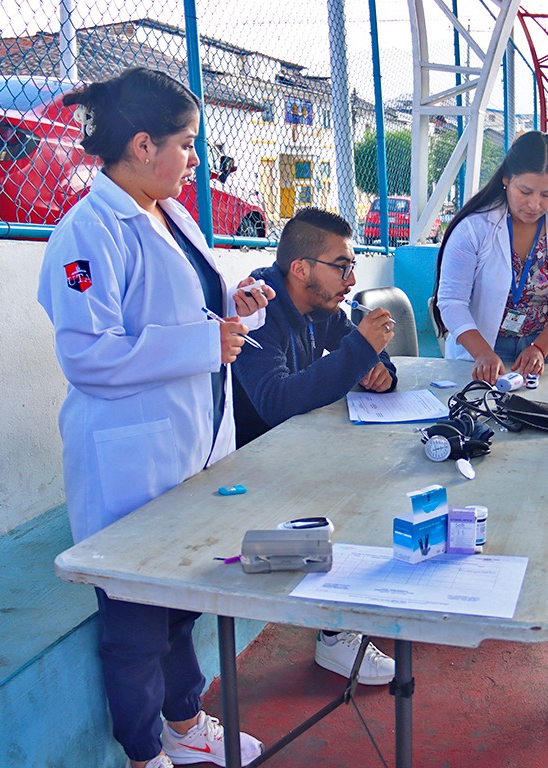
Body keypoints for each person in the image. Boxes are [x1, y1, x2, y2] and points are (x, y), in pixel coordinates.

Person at [38, 68, 270, 768]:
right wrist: (205, 341)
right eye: (187, 144)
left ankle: (185, 724)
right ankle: (143, 754)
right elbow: (88, 355)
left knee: (179, 604)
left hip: (186, 450)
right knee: (136, 623)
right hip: (130, 461)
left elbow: (180, 302)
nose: (194, 159)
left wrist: (234, 299)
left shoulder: (168, 212)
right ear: (143, 144)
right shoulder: (87, 232)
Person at [231, 207, 398, 686]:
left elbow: (361, 350)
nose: (351, 279)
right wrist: (360, 353)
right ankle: (335, 635)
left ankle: (343, 621)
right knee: (351, 494)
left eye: (353, 266)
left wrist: (378, 372)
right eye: (341, 265)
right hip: (240, 473)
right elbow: (276, 401)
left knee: (378, 473)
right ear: (301, 269)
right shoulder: (258, 306)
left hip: (285, 455)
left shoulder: (318, 306)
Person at [433, 130, 548, 384]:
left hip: (546, 347)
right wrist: (483, 353)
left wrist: (540, 348)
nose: (534, 204)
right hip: (483, 346)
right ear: (506, 178)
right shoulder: (474, 226)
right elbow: (452, 301)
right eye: (525, 191)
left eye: (547, 194)